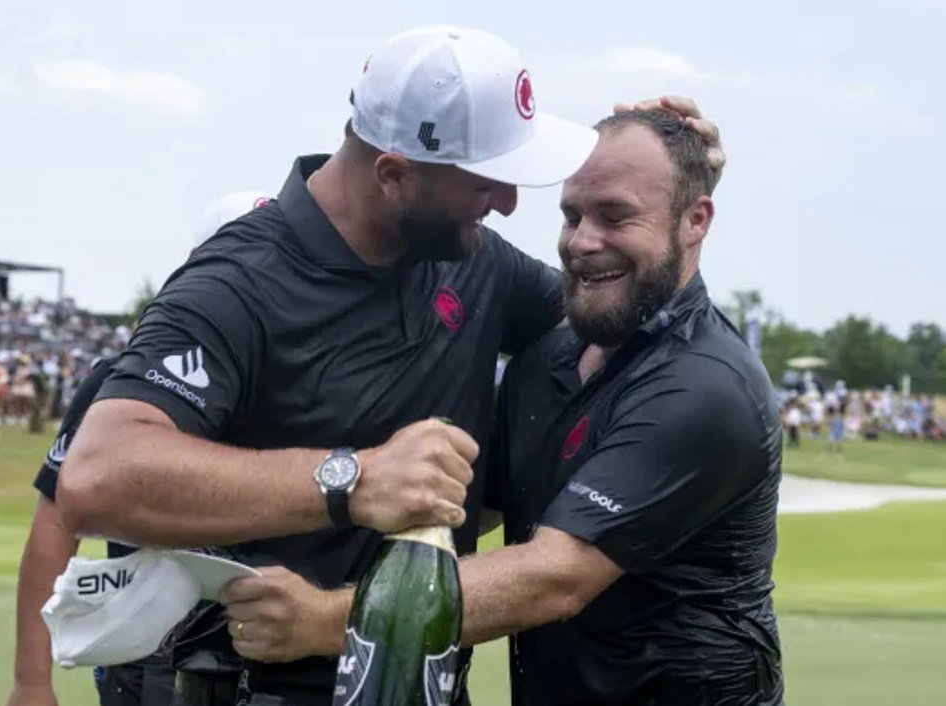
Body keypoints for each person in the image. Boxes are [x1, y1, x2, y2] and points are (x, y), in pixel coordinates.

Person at [221, 109, 781, 706]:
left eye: (616, 215)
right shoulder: (551, 358)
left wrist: (326, 620)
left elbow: (555, 576)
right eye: (572, 215)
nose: (582, 242)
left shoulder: (706, 386)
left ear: (695, 220)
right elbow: (472, 507)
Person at [5, 191, 274, 706]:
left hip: (289, 657)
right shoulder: (121, 384)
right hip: (150, 660)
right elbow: (55, 531)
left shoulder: (328, 386)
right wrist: (31, 683)